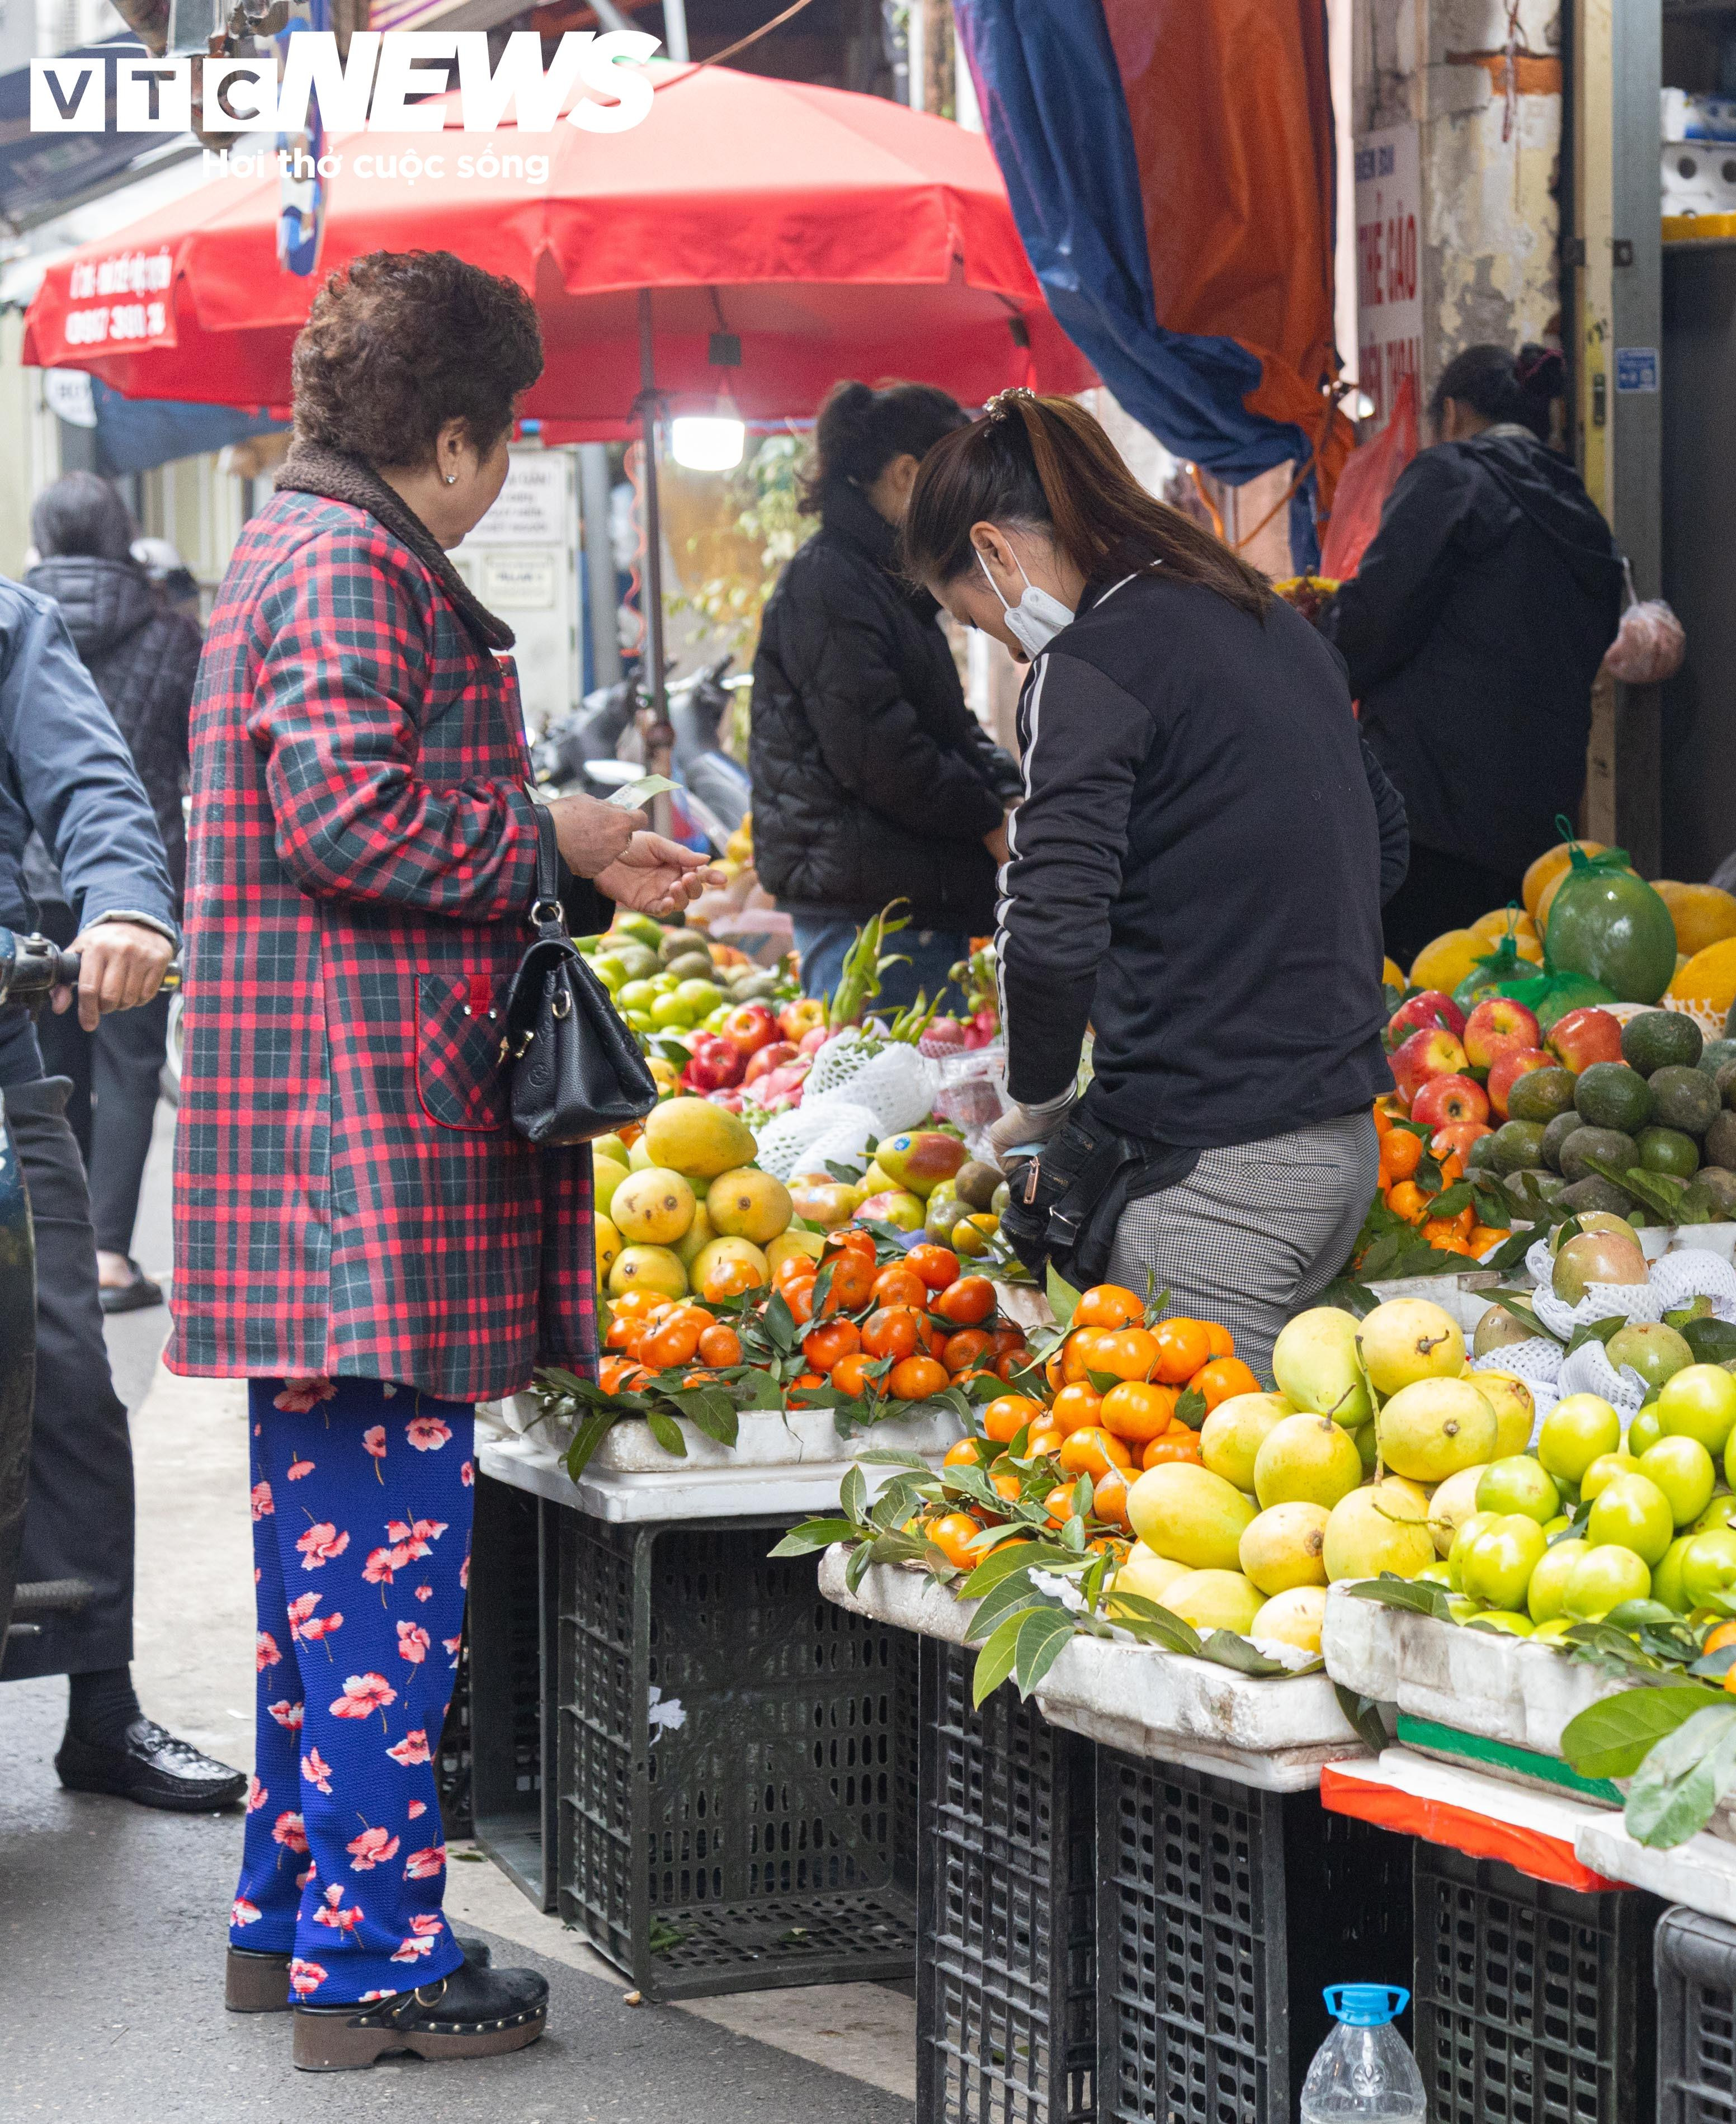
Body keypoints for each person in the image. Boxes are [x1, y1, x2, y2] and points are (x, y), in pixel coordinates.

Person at [173, 248, 711, 2068]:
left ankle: (289, 1914)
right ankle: (377, 1952)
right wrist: (544, 831)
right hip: (360, 1156)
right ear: (458, 438)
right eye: (514, 436)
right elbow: (346, 811)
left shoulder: (301, 543)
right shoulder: (345, 561)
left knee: (320, 1571)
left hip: (333, 1143)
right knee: (388, 1557)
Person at [905, 393, 1402, 1378]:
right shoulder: (1262, 619)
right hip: (1338, 1144)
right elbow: (1381, 841)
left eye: (980, 619)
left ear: (996, 553)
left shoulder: (1089, 667)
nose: (1009, 648)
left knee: (1203, 1505)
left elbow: (1048, 928)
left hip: (1219, 1183)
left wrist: (1037, 1110)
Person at [0, 490, 207, 1820]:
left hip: (4, 1043)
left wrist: (126, 903)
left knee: (65, 1358)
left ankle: (103, 1704)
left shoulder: (10, 623)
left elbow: (93, 784)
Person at [1331, 344, 1622, 966]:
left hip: (1429, 821)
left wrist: (1314, 632)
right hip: (1539, 834)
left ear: (1455, 413)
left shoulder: (1450, 478)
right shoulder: (1583, 516)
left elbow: (1371, 626)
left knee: (1419, 1009)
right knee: (1504, 1014)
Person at [749, 380, 1022, 1012]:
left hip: (905, 893)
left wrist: (1005, 788)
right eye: (956, 481)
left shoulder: (882, 581)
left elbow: (946, 726)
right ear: (906, 475)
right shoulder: (832, 583)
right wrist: (988, 819)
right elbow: (881, 752)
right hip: (870, 913)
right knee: (886, 1102)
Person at [26, 472, 199, 1313]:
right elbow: (197, 757)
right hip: (135, 885)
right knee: (130, 1071)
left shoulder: (14, 621)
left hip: (26, 886)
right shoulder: (171, 634)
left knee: (48, 1073)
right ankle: (105, 1256)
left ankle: (51, 1257)